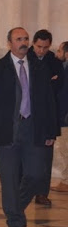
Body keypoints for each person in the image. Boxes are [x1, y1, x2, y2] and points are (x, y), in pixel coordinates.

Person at [0, 27, 57, 227]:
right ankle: (14, 221)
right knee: (9, 178)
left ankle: (16, 207)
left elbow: (49, 101)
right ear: (9, 43)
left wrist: (51, 131)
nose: (23, 42)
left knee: (36, 173)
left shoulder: (39, 68)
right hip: (7, 131)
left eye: (25, 39)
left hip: (33, 130)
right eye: (18, 39)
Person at [27, 29, 63, 206]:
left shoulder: (54, 62)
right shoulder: (25, 58)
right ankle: (24, 190)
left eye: (45, 47)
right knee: (26, 155)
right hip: (28, 114)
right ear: (33, 43)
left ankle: (42, 193)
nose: (41, 51)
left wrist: (48, 83)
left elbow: (58, 85)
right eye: (39, 46)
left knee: (45, 157)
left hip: (48, 115)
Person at [51, 41, 68, 192]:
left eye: (59, 51)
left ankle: (66, 181)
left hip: (65, 117)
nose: (57, 54)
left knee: (65, 149)